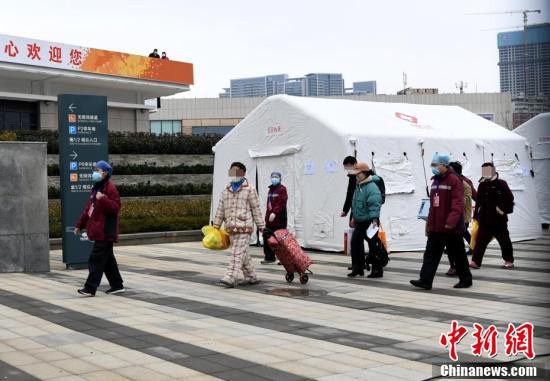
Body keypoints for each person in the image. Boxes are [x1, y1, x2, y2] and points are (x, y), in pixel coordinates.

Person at [410, 153, 473, 290]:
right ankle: (425, 280)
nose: (433, 167)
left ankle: (466, 279)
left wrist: (450, 222)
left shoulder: (454, 180)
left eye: (435, 165)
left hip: (451, 227)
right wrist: (429, 223)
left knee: (458, 255)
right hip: (436, 226)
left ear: (444, 165)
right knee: (430, 254)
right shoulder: (435, 181)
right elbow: (433, 205)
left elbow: (458, 204)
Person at [75, 161, 124, 297]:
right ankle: (117, 285)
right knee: (108, 260)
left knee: (96, 260)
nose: (94, 172)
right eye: (94, 169)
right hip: (99, 230)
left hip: (106, 231)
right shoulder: (97, 187)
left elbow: (115, 208)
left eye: (97, 170)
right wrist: (80, 224)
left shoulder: (110, 188)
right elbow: (88, 210)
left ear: (105, 172)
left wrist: (103, 200)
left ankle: (90, 288)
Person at [213, 162, 265, 288]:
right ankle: (251, 276)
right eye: (232, 170)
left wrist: (261, 226)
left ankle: (230, 276)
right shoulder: (226, 190)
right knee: (242, 253)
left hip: (244, 227)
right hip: (230, 227)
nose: (234, 174)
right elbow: (221, 209)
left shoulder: (250, 189)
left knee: (236, 253)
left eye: (237, 171)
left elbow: (256, 209)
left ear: (243, 173)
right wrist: (216, 226)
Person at [470, 162, 515, 269]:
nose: (485, 173)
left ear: (493, 170)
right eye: (483, 171)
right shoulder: (482, 184)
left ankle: (509, 260)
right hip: (485, 219)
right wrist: (476, 216)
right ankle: (475, 262)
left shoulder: (501, 184)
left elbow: (510, 199)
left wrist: (503, 210)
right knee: (480, 241)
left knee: (504, 241)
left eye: (487, 170)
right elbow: (478, 202)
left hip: (499, 220)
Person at [348, 162, 384, 278]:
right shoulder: (359, 185)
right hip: (360, 220)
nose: (356, 176)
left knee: (373, 245)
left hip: (370, 221)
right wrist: (354, 217)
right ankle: (357, 268)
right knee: (355, 243)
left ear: (364, 173)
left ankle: (377, 270)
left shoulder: (372, 187)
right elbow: (355, 203)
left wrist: (374, 220)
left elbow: (375, 204)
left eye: (358, 174)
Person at [445, 161, 477, 276]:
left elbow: (475, 196)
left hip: (462, 216)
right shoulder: (448, 180)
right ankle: (457, 265)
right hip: (452, 216)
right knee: (458, 238)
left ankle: (457, 267)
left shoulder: (464, 182)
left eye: (450, 169)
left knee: (457, 241)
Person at [261, 172, 288, 264]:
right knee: (267, 236)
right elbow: (269, 205)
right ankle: (269, 257)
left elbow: (281, 202)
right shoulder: (271, 190)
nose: (274, 179)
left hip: (279, 218)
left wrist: (275, 213)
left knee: (280, 239)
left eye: (276, 177)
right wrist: (267, 216)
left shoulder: (282, 189)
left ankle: (284, 258)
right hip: (270, 219)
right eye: (272, 177)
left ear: (280, 178)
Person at [341, 156, 357, 270]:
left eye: (348, 167)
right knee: (356, 239)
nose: (347, 169)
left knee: (366, 238)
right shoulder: (352, 177)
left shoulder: (365, 178)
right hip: (355, 210)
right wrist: (345, 210)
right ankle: (356, 264)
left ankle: (379, 258)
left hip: (363, 213)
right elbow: (349, 194)